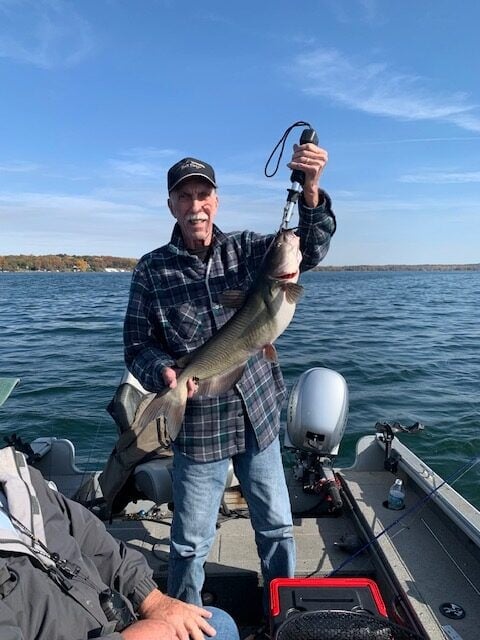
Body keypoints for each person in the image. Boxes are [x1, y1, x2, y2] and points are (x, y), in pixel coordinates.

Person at [119, 142, 336, 609]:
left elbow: (311, 247)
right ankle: (184, 624)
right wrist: (165, 372)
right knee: (189, 544)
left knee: (277, 527)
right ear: (172, 205)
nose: (195, 206)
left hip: (258, 417)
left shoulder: (249, 250)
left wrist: (311, 192)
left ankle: (283, 613)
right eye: (185, 197)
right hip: (197, 428)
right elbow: (137, 346)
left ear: (215, 200)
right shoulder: (151, 270)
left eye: (203, 195)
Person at [0, 377, 240, 640]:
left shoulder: (17, 480)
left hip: (119, 616)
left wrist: (150, 598)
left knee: (220, 623)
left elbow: (90, 535)